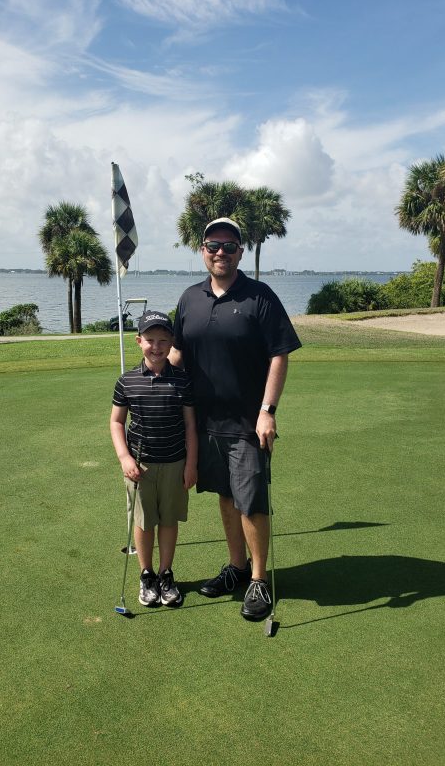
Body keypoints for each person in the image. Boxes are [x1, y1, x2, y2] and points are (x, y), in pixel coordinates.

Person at [169, 217, 302, 621]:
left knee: (251, 501)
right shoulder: (190, 298)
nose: (220, 252)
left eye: (229, 246)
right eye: (213, 245)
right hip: (204, 423)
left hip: (247, 423)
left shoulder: (259, 296)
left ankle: (259, 580)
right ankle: (237, 567)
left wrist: (267, 411)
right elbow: (178, 354)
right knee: (226, 496)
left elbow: (280, 353)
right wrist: (151, 383)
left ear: (241, 251)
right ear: (203, 251)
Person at [110, 311, 198, 608]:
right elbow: (116, 422)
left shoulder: (182, 381)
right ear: (138, 341)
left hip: (175, 463)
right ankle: (146, 575)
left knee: (169, 520)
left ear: (172, 343)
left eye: (163, 341)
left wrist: (191, 464)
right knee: (145, 523)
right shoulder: (127, 381)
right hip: (140, 466)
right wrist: (124, 457)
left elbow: (190, 426)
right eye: (150, 340)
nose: (156, 347)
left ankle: (165, 573)